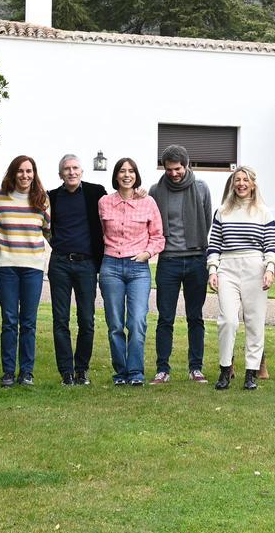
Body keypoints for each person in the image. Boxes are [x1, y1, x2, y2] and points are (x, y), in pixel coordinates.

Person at [208, 166, 275, 391]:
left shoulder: (263, 212)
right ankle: (225, 369)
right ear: (232, 184)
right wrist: (212, 269)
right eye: (237, 180)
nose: (241, 184)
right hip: (227, 268)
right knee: (228, 320)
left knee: (255, 321)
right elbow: (215, 244)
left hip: (255, 267)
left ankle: (251, 373)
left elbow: (272, 244)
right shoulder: (222, 211)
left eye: (245, 180)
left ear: (252, 184)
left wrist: (270, 268)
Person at [149, 144, 214, 384]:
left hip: (196, 259)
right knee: (165, 317)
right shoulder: (156, 191)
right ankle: (162, 369)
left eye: (177, 168)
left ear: (186, 165)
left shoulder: (201, 188)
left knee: (194, 316)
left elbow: (206, 221)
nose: (174, 173)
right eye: (169, 169)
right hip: (168, 261)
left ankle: (195, 367)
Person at [98, 157, 165, 386]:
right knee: (115, 323)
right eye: (122, 171)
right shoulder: (104, 202)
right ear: (116, 175)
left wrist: (147, 253)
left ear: (136, 175)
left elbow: (158, 236)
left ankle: (135, 372)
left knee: (137, 321)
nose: (127, 175)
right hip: (111, 267)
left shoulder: (148, 202)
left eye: (131, 171)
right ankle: (120, 372)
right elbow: (98, 233)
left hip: (138, 267)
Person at [0, 155, 51, 388]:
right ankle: (7, 372)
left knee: (28, 321)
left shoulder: (42, 200)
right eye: (21, 171)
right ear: (13, 173)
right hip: (6, 266)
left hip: (33, 267)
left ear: (34, 174)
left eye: (29, 171)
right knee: (9, 320)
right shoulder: (0, 198)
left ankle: (26, 372)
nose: (25, 175)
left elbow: (49, 232)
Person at [47, 155, 106, 386]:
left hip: (86, 264)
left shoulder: (95, 192)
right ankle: (66, 372)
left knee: (86, 319)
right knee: (60, 319)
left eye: (75, 168)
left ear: (81, 171)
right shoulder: (51, 197)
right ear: (60, 174)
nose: (71, 172)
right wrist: (54, 242)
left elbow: (117, 204)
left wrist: (140, 193)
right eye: (66, 169)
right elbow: (43, 224)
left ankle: (81, 370)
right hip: (60, 263)